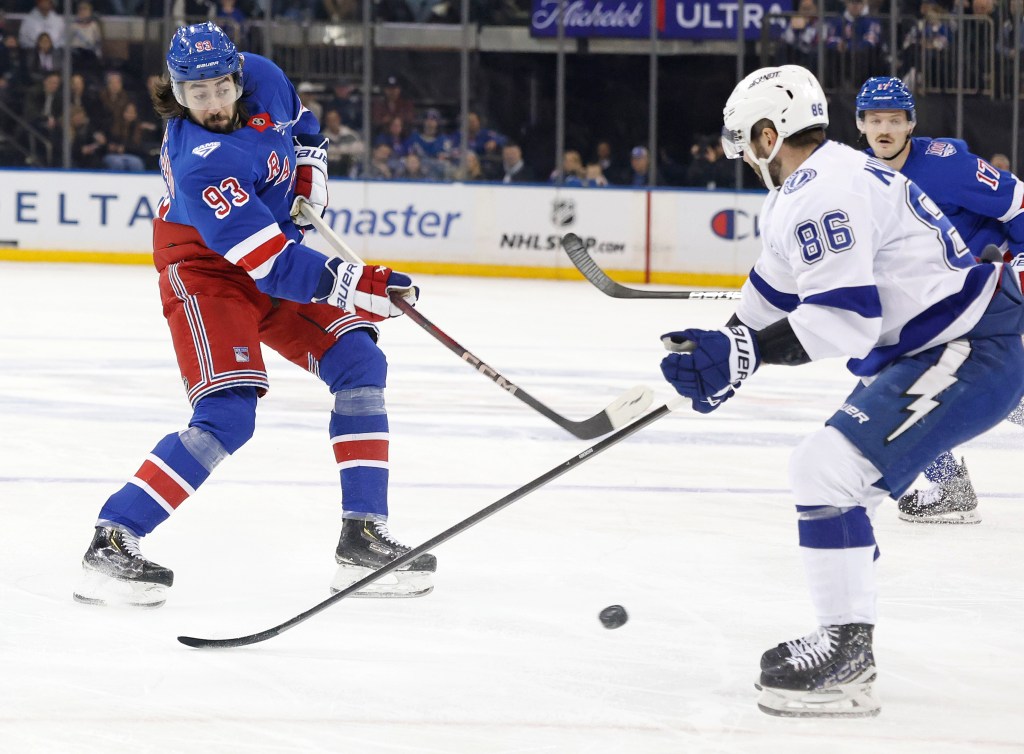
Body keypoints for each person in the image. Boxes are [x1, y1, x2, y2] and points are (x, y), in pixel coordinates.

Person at [660, 63, 1024, 717]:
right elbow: (765, 304)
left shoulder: (825, 190)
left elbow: (845, 318)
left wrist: (740, 353)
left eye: (746, 142)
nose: (744, 157)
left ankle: (847, 658)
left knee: (825, 468)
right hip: (944, 351)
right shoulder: (808, 189)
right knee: (831, 475)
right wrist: (726, 356)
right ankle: (845, 644)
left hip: (971, 349)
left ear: (770, 135)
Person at [72, 22, 436, 608]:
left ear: (238, 77)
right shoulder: (199, 164)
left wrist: (310, 179)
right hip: (207, 269)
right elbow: (267, 266)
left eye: (220, 88)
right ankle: (113, 540)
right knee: (227, 415)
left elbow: (306, 129)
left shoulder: (265, 78)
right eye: (197, 93)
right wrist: (357, 287)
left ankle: (362, 537)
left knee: (361, 363)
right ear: (176, 91)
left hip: (275, 248)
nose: (212, 105)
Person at [856, 75, 1024, 524]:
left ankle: (951, 484)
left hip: (985, 293)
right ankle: (950, 482)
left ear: (911, 124)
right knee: (887, 385)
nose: (885, 129)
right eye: (875, 120)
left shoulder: (946, 164)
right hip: (934, 306)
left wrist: (1021, 263)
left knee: (884, 385)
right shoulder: (854, 180)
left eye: (894, 119)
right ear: (861, 125)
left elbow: (1019, 205)